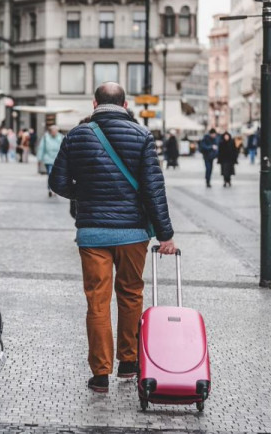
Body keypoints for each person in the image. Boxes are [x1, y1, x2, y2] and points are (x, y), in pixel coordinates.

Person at [49, 82, 177, 393]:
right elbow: (153, 189)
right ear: (125, 104)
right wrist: (166, 235)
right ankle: (129, 362)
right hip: (133, 232)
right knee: (131, 294)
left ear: (94, 103)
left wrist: (85, 195)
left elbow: (58, 181)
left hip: (93, 232)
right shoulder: (142, 136)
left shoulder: (76, 135)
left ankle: (100, 373)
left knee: (97, 301)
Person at [38, 125, 65, 197]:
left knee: (57, 175)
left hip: (58, 159)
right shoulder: (45, 137)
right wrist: (39, 158)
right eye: (53, 131)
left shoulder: (61, 137)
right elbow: (41, 148)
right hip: (48, 159)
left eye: (55, 131)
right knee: (50, 174)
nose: (54, 133)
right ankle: (50, 189)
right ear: (50, 131)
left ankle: (55, 189)